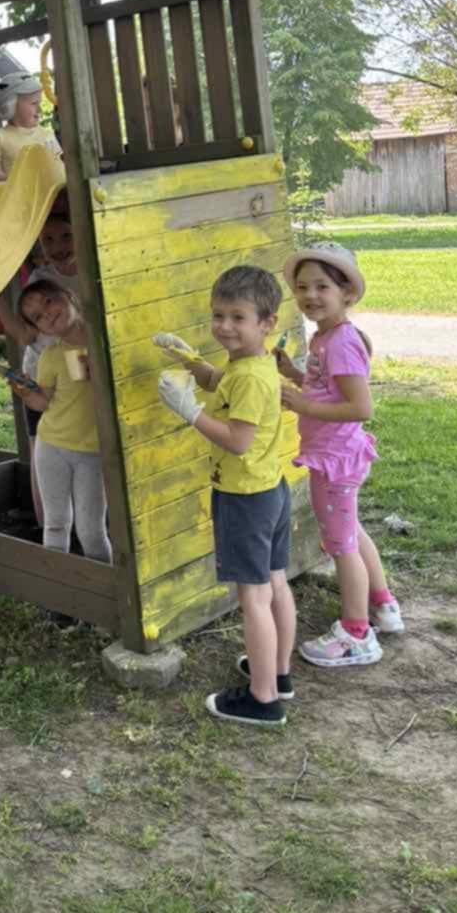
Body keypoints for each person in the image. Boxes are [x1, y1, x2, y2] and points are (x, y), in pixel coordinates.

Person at [156, 265, 295, 728]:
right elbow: (226, 384)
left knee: (252, 597)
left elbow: (236, 439)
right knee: (275, 582)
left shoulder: (253, 378)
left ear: (267, 322)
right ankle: (277, 673)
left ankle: (262, 698)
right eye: (218, 315)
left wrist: (189, 411)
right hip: (269, 489)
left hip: (243, 496)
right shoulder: (252, 365)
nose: (225, 326)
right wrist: (194, 363)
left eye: (238, 317)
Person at [277, 242, 400, 668]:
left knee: (340, 545)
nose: (310, 295)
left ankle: (355, 633)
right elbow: (326, 386)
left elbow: (360, 407)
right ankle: (383, 606)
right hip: (338, 455)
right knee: (351, 533)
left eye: (322, 286)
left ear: (347, 292)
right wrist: (293, 375)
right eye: (303, 287)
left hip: (334, 459)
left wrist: (301, 405)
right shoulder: (323, 337)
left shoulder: (342, 341)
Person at [14, 279, 111, 564]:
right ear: (39, 329)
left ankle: (104, 595)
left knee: (91, 531)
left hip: (92, 453)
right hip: (52, 446)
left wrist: (102, 374)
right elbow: (43, 402)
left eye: (48, 302)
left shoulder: (107, 341)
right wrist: (24, 390)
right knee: (55, 524)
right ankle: (59, 599)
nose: (48, 314)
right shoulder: (52, 355)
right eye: (38, 317)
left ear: (68, 295)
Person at [0, 210, 80, 524]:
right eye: (48, 240)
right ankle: (47, 527)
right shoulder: (40, 282)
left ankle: (87, 524)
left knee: (84, 450)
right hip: (43, 377)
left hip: (79, 378)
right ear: (39, 246)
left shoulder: (94, 271)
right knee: (41, 451)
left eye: (66, 236)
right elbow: (25, 334)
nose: (58, 246)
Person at [0, 72, 62, 182]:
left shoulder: (47, 135)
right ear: (10, 106)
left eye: (39, 103)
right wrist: (21, 181)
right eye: (34, 103)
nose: (39, 109)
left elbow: (59, 167)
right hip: (18, 196)